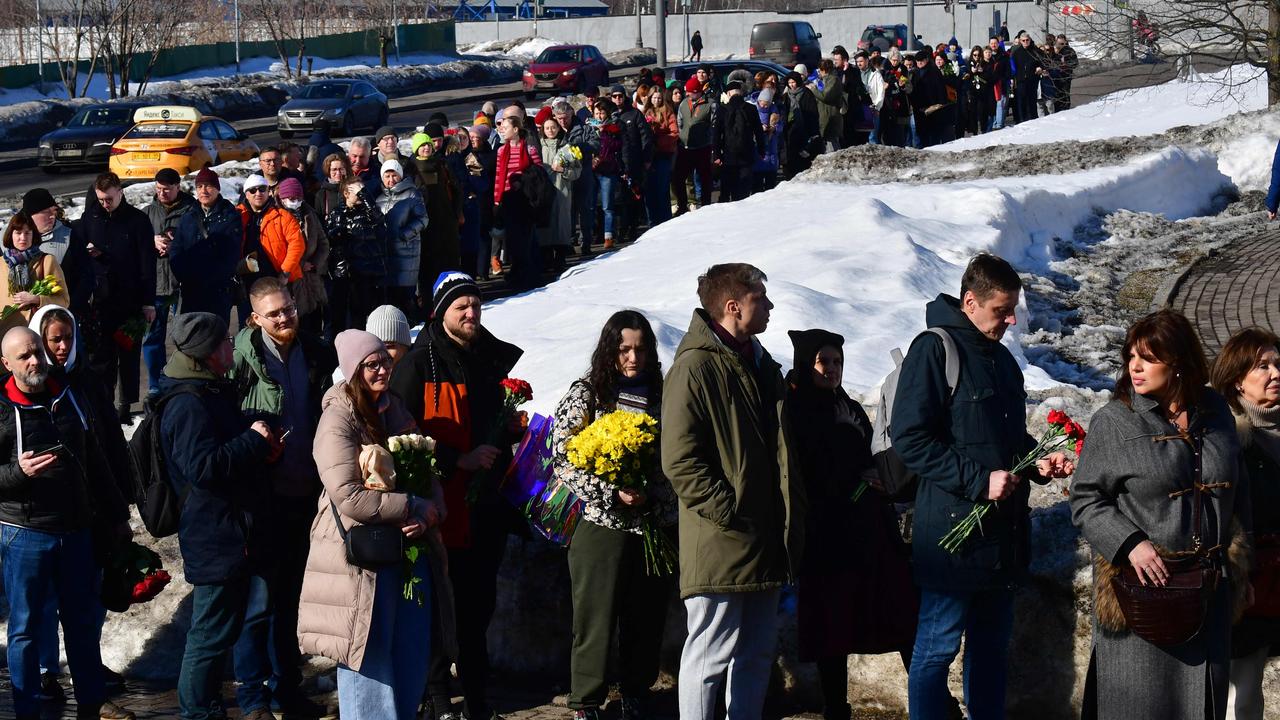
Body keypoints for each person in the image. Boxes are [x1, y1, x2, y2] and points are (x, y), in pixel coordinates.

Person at [891, 253, 1074, 720]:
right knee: (935, 653)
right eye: (1001, 310)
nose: (1011, 320)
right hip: (952, 540)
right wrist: (977, 481)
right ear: (970, 301)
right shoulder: (934, 350)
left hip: (1004, 539)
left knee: (991, 652)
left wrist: (1037, 463)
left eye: (1013, 310)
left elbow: (1007, 441)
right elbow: (909, 438)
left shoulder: (1002, 360)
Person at [1071, 310, 1247, 720]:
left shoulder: (1216, 412)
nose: (1134, 366)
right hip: (1143, 595)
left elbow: (1240, 492)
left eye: (1148, 357)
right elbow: (1084, 499)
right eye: (1131, 355)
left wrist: (1244, 564)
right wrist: (1130, 544)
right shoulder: (1113, 422)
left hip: (1208, 592)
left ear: (1180, 363)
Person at [661, 263, 805, 720]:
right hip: (722, 539)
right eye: (761, 299)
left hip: (764, 536)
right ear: (733, 306)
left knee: (756, 654)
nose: (770, 306)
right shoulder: (695, 367)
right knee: (710, 655)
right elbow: (680, 460)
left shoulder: (758, 362)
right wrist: (730, 510)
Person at [391, 272, 524, 720]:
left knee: (477, 604)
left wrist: (510, 428)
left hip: (486, 505)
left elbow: (486, 418)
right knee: (437, 604)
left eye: (474, 304)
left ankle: (476, 692)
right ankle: (436, 695)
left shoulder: (487, 356)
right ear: (439, 312)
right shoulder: (419, 362)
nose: (471, 313)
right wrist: (456, 459)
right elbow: (403, 435)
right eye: (460, 306)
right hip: (442, 506)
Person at [298, 329, 442, 719]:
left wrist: (428, 512)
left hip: (404, 551)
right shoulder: (337, 419)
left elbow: (427, 471)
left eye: (385, 361)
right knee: (369, 651)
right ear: (353, 370)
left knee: (410, 648)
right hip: (360, 558)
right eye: (371, 365)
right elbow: (349, 495)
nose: (382, 370)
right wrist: (410, 504)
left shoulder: (393, 407)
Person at [0, 325, 135, 720]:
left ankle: (90, 705)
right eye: (24, 356)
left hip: (76, 531)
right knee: (24, 629)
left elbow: (95, 459)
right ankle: (26, 708)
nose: (35, 360)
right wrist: (16, 473)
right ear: (6, 364)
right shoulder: (3, 408)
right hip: (25, 534)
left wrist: (117, 516)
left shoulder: (68, 394)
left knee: (80, 625)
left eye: (37, 351)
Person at [785, 329, 918, 720]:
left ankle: (935, 703)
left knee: (898, 610)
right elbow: (806, 469)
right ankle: (835, 707)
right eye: (824, 361)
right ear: (807, 363)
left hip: (870, 531)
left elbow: (870, 453)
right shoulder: (797, 408)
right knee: (833, 626)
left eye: (838, 362)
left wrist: (879, 475)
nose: (832, 370)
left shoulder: (847, 406)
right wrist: (855, 475)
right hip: (828, 536)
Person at [553, 310, 678, 720]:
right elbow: (563, 457)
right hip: (602, 525)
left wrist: (654, 497)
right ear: (610, 350)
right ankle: (586, 700)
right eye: (624, 349)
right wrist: (609, 492)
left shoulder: (663, 395)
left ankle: (635, 691)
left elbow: (677, 457)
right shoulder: (589, 392)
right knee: (595, 618)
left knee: (646, 616)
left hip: (651, 526)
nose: (633, 358)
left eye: (640, 349)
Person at [162, 312, 278, 720]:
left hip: (232, 530)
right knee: (209, 635)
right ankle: (197, 712)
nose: (232, 347)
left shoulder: (209, 393)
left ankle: (206, 708)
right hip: (212, 535)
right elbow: (203, 467)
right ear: (207, 354)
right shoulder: (187, 405)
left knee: (222, 629)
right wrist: (252, 441)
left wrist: (257, 436)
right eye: (225, 342)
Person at [231, 278, 336, 717]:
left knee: (291, 598)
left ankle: (286, 689)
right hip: (264, 497)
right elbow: (229, 422)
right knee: (258, 604)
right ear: (255, 318)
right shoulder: (243, 359)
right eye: (273, 313)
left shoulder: (314, 350)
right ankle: (253, 697)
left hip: (306, 492)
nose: (284, 318)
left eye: (288, 308)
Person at [1209, 328, 1280, 719]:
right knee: (1243, 692)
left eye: (1277, 364)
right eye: (1262, 366)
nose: (1275, 373)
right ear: (1237, 378)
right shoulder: (1227, 438)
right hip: (1250, 584)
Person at [76, 172, 156, 422]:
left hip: (130, 298)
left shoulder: (137, 221)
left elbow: (147, 264)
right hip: (100, 299)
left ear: (120, 192)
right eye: (101, 199)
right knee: (102, 357)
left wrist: (148, 302)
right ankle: (105, 403)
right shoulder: (90, 218)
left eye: (109, 199)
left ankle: (125, 404)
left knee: (128, 355)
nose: (105, 204)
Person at [142, 168, 197, 398]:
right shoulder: (147, 213)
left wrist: (178, 245)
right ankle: (156, 384)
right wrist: (150, 242)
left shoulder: (191, 210)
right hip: (156, 284)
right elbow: (137, 246)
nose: (162, 193)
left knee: (185, 334)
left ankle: (186, 378)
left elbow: (200, 242)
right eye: (158, 189)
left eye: (166, 189)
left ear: (178, 187)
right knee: (152, 337)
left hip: (182, 282)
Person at [169, 167, 242, 324]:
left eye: (208, 186)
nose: (204, 190)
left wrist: (212, 278)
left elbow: (231, 255)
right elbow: (176, 250)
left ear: (217, 188)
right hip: (191, 290)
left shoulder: (230, 216)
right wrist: (184, 275)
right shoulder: (188, 217)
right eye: (199, 186)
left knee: (217, 338)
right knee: (192, 338)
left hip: (218, 291)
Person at [324, 176, 387, 335]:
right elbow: (328, 239)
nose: (361, 195)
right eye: (358, 192)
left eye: (363, 191)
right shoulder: (337, 212)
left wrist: (366, 196)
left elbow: (379, 222)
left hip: (366, 270)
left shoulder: (369, 212)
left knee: (363, 314)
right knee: (339, 315)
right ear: (346, 193)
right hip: (344, 272)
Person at [492, 105, 543, 290]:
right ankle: (518, 272)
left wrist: (523, 182)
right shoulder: (500, 151)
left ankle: (528, 274)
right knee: (512, 240)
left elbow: (539, 175)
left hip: (525, 201)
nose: (502, 130)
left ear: (515, 129)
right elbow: (499, 176)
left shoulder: (529, 149)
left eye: (505, 127)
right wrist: (497, 200)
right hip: (508, 201)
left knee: (525, 240)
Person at [410, 126, 464, 297]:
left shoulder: (442, 164)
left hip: (446, 220)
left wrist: (457, 214)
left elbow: (456, 189)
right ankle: (428, 298)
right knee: (428, 264)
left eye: (429, 145)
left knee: (449, 260)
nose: (427, 148)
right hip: (425, 224)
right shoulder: (411, 169)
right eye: (423, 145)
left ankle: (453, 293)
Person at [23, 188, 93, 315]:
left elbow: (86, 276)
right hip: (20, 319)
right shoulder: (8, 239)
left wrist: (69, 308)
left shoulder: (69, 236)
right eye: (45, 212)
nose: (52, 215)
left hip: (61, 314)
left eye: (53, 210)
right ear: (30, 215)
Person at [0, 213, 70, 334]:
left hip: (36, 331)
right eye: (18, 233)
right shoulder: (1, 263)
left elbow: (64, 301)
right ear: (10, 235)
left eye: (27, 233)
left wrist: (37, 299)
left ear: (34, 235)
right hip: (5, 333)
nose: (23, 238)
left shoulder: (47, 261)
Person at [277, 177, 330, 335]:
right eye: (292, 199)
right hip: (290, 280)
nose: (296, 202)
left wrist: (313, 263)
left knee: (313, 322)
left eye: (299, 198)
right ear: (283, 198)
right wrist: (299, 265)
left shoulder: (309, 214)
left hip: (311, 278)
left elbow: (323, 243)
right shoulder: (277, 217)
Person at [375, 159, 428, 315]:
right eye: (387, 176)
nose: (391, 180)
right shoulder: (378, 199)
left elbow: (422, 219)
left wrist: (404, 234)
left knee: (406, 298)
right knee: (390, 300)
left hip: (407, 253)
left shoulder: (412, 193)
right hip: (387, 254)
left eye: (394, 175)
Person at [553, 100, 600, 257]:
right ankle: (569, 241)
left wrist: (579, 148)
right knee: (567, 210)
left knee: (584, 209)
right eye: (559, 118)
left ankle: (586, 241)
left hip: (582, 173)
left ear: (571, 113)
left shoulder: (584, 127)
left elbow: (595, 143)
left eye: (565, 117)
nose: (562, 121)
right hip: (562, 176)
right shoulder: (554, 129)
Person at [539, 114, 581, 273]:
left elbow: (577, 171)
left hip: (562, 190)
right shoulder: (538, 146)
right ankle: (546, 258)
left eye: (553, 127)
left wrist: (563, 170)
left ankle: (561, 258)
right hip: (543, 192)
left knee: (561, 223)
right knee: (545, 223)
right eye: (547, 128)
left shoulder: (567, 147)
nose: (550, 131)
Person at [715, 80, 765, 203]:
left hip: (728, 155)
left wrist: (717, 154)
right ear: (740, 93)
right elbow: (759, 131)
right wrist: (761, 150)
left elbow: (716, 133)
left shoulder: (722, 109)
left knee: (726, 189)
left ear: (728, 94)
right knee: (743, 190)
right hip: (746, 154)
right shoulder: (751, 109)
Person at [673, 76, 715, 215]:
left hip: (703, 147)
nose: (687, 94)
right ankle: (682, 205)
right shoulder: (684, 103)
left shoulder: (710, 104)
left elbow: (715, 125)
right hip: (685, 147)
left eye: (690, 92)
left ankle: (706, 205)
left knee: (704, 178)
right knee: (679, 178)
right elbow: (680, 122)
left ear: (697, 91)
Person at [589, 98, 624, 250]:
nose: (599, 116)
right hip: (592, 170)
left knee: (607, 205)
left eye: (602, 113)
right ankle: (591, 235)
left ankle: (608, 236)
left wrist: (604, 132)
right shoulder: (589, 128)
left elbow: (618, 145)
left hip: (608, 169)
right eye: (597, 113)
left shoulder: (613, 128)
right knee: (591, 205)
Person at [643, 86, 678, 227]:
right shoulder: (645, 112)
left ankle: (665, 221)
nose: (656, 100)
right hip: (648, 157)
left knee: (662, 190)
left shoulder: (668, 111)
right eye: (654, 97)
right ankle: (652, 222)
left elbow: (674, 133)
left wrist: (659, 140)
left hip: (663, 154)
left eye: (659, 97)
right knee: (650, 191)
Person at [782, 71, 819, 178]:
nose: (791, 85)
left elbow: (812, 113)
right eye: (789, 83)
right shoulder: (786, 96)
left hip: (804, 128)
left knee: (803, 155)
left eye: (793, 82)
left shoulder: (806, 94)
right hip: (789, 128)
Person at [811, 59, 845, 153]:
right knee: (827, 144)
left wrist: (813, 89)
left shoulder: (833, 79)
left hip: (831, 117)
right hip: (824, 117)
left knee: (832, 146)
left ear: (823, 69)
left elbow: (825, 96)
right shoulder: (823, 80)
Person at [1010, 33, 1042, 124]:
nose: (1025, 42)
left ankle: (1033, 119)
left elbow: (1043, 61)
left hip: (1032, 80)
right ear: (1020, 41)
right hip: (1021, 81)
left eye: (1027, 40)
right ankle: (1022, 120)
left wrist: (1040, 67)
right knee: (1021, 101)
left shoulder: (1036, 51)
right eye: (1023, 40)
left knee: (1032, 101)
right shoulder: (1016, 52)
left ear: (1030, 40)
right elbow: (1012, 67)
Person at [306, 119, 344, 183]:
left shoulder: (304, 150)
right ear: (329, 131)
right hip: (328, 185)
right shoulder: (336, 149)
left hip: (310, 186)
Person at [315, 153, 350, 219]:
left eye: (341, 169)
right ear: (328, 171)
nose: (338, 173)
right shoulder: (321, 194)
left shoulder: (352, 189)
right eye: (334, 169)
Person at [1054, 36, 1078, 110]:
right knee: (1056, 94)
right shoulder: (1054, 50)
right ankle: (1057, 110)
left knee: (1065, 93)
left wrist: (1066, 64)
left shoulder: (1070, 51)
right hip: (1055, 76)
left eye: (1062, 43)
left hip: (1066, 76)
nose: (1060, 45)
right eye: (1058, 43)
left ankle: (1066, 110)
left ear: (1065, 42)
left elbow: (1075, 63)